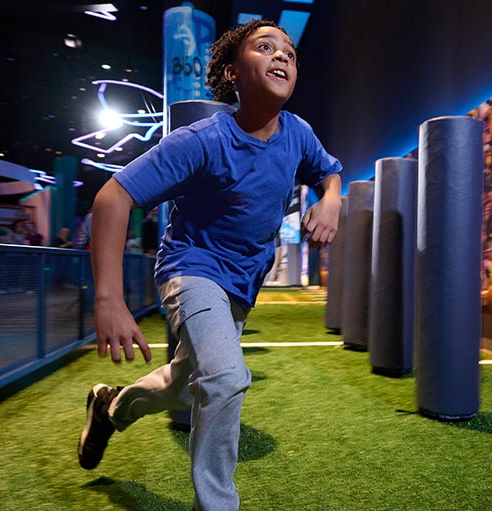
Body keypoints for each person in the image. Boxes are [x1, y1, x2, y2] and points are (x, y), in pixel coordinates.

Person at [77, 19, 342, 511]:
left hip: (242, 285)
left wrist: (331, 200)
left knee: (182, 385)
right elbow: (112, 198)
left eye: (289, 52)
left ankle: (109, 408)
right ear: (231, 73)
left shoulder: (298, 133)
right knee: (224, 378)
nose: (283, 56)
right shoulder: (200, 140)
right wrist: (109, 300)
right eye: (266, 48)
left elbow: (328, 172)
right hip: (192, 269)